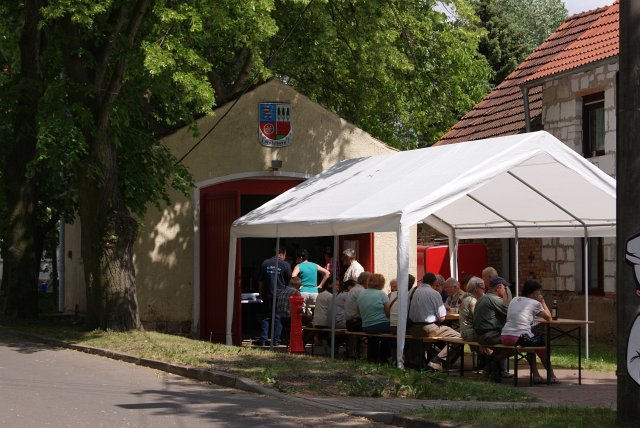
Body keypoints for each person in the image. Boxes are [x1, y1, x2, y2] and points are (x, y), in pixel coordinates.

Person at [501, 280, 558, 384]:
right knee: (541, 347)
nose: (539, 295)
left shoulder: (514, 299)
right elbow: (549, 318)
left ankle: (536, 375)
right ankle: (551, 375)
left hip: (505, 336)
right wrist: (543, 302)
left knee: (530, 343)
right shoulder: (534, 303)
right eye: (538, 293)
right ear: (531, 293)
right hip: (518, 337)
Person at [408, 272, 462, 371]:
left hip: (412, 328)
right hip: (428, 328)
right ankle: (437, 361)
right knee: (459, 337)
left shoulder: (412, 291)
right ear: (434, 282)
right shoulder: (434, 293)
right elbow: (442, 318)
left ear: (423, 280)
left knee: (431, 338)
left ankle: (418, 360)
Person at [473, 276, 511, 382]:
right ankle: (489, 370)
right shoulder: (495, 299)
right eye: (505, 288)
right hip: (489, 335)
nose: (506, 290)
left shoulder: (482, 298)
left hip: (480, 335)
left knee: (506, 344)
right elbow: (511, 314)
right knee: (515, 343)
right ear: (498, 287)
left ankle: (490, 372)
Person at [257, 247, 292, 346]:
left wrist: (261, 293)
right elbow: (290, 281)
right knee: (278, 317)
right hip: (280, 295)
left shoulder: (265, 263)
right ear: (282, 253)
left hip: (267, 294)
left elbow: (260, 281)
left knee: (266, 317)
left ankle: (263, 340)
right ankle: (276, 341)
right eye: (285, 255)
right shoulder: (285, 265)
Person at [357, 273, 390, 362]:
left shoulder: (361, 294)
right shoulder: (382, 294)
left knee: (373, 337)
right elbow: (388, 313)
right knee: (393, 331)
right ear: (382, 283)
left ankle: (372, 357)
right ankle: (384, 357)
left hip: (366, 326)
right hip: (380, 325)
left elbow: (358, 311)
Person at [292, 249, 330, 319]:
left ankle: (303, 328)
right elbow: (327, 273)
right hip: (314, 292)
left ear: (300, 257)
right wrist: (320, 285)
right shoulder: (315, 265)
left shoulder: (298, 266)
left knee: (301, 314)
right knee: (313, 315)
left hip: (303, 291)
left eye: (297, 257)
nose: (296, 259)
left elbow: (293, 276)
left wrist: (299, 285)